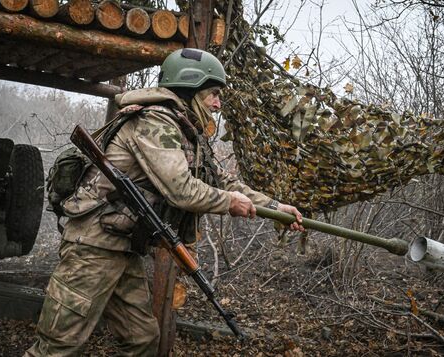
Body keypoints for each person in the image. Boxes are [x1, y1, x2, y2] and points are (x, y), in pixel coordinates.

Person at [25, 48, 304, 356]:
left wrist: (275, 208)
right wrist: (229, 203)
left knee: (142, 339)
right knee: (57, 348)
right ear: (190, 86)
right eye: (213, 93)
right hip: (93, 247)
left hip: (122, 246)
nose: (217, 103)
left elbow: (221, 181)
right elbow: (181, 189)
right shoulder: (154, 122)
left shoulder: (184, 131)